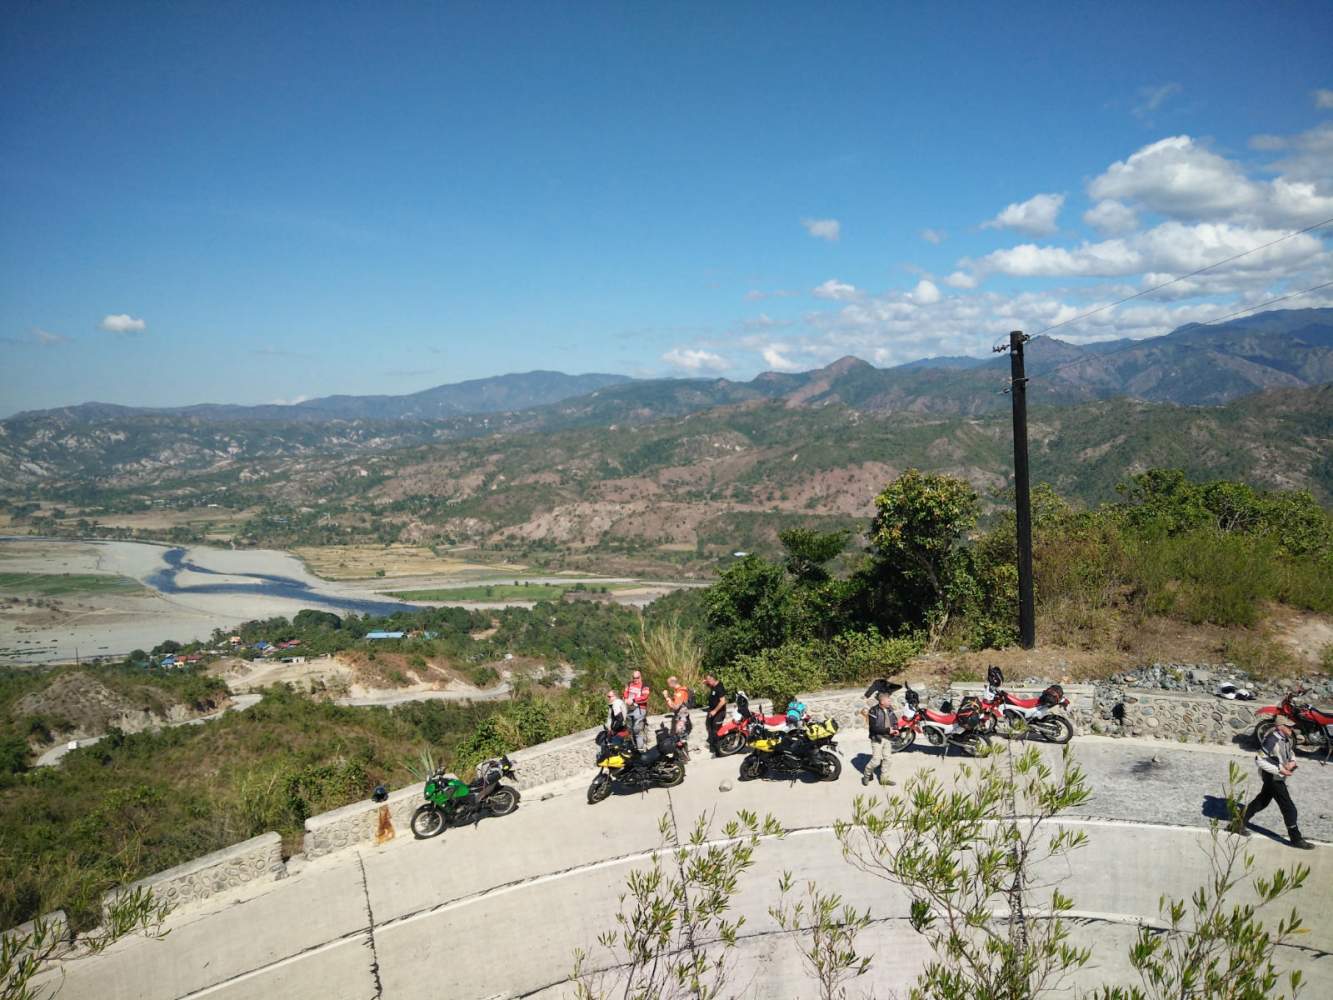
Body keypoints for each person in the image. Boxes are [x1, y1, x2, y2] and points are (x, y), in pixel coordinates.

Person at [1233, 715, 1315, 849]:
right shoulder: (1272, 739)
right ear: (1279, 727)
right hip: (1273, 778)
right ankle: (1296, 839)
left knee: (1262, 801)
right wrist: (1280, 770)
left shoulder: (1286, 737)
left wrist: (1293, 761)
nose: (1292, 728)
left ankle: (1237, 824)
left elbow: (1290, 752)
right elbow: (1259, 759)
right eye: (1288, 726)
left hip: (1276, 776)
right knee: (1289, 808)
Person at [862, 690, 898, 786]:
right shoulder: (873, 711)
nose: (890, 701)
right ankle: (866, 775)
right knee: (876, 761)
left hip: (888, 738)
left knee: (888, 759)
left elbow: (894, 720)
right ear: (882, 701)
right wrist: (887, 730)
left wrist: (896, 728)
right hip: (877, 738)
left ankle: (884, 779)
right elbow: (873, 728)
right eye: (888, 700)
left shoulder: (890, 709)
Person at [624, 670, 651, 750]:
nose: (635, 679)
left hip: (640, 708)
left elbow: (645, 697)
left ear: (640, 677)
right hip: (629, 709)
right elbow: (625, 692)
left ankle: (641, 748)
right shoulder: (629, 684)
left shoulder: (644, 685)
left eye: (637, 678)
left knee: (637, 729)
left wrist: (633, 700)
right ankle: (633, 747)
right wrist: (626, 699)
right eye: (634, 678)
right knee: (629, 729)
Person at [703, 675, 727, 756]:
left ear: (712, 679)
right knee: (709, 727)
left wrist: (715, 711)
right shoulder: (713, 685)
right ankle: (713, 747)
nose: (708, 683)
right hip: (712, 711)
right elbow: (709, 684)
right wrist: (706, 682)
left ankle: (719, 751)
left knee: (716, 731)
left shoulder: (719, 687)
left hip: (719, 713)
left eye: (708, 681)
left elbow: (723, 701)